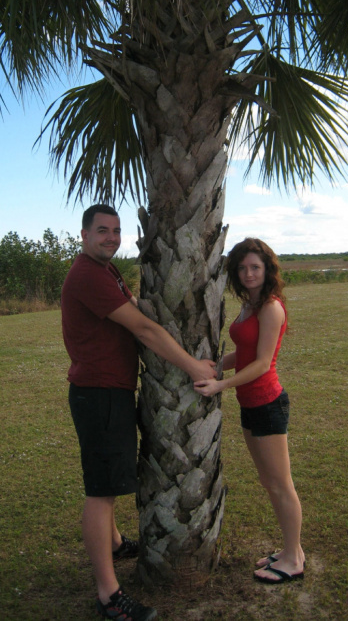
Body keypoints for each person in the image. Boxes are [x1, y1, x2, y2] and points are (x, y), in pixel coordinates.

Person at [61, 204, 216, 621]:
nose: (110, 237)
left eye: (116, 230)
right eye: (102, 231)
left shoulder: (104, 270)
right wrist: (193, 365)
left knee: (106, 483)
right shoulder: (89, 275)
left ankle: (113, 544)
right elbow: (143, 327)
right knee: (102, 492)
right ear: (83, 234)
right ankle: (109, 595)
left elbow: (135, 309)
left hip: (106, 391)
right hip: (99, 395)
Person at [194, 237, 305, 584]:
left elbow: (261, 363)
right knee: (268, 481)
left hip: (268, 403)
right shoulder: (249, 305)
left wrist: (220, 385)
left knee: (280, 484)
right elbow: (243, 354)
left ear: (267, 269)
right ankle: (291, 551)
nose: (248, 273)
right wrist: (217, 366)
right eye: (242, 268)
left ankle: (294, 558)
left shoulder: (271, 307)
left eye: (255, 267)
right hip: (250, 404)